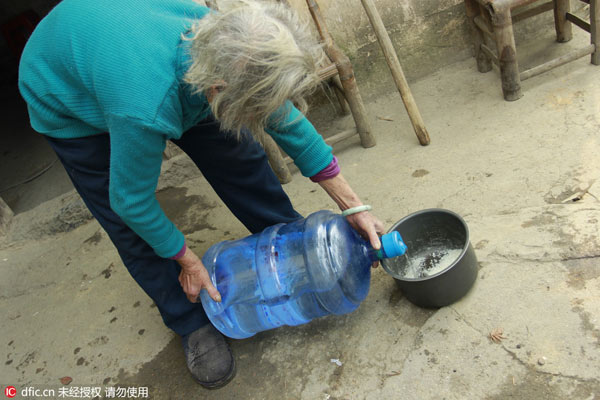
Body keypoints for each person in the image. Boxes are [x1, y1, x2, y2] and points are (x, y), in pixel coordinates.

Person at [18, 0, 384, 389]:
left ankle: (289, 244)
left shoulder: (232, 43)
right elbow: (132, 202)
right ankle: (188, 320)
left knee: (240, 155)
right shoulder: (144, 106)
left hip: (130, 49)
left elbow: (283, 118)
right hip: (62, 90)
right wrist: (189, 262)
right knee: (127, 219)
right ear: (218, 88)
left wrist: (353, 206)